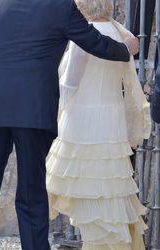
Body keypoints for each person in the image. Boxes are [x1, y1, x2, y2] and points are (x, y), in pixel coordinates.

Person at [0, 0, 140, 249]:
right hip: (33, 109)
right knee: (32, 194)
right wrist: (125, 49)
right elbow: (94, 42)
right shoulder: (61, 6)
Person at [46, 0, 151, 249]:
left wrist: (55, 107)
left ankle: (94, 244)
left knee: (86, 190)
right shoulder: (119, 32)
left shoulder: (84, 35)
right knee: (109, 190)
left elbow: (70, 83)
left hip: (82, 122)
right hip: (111, 121)